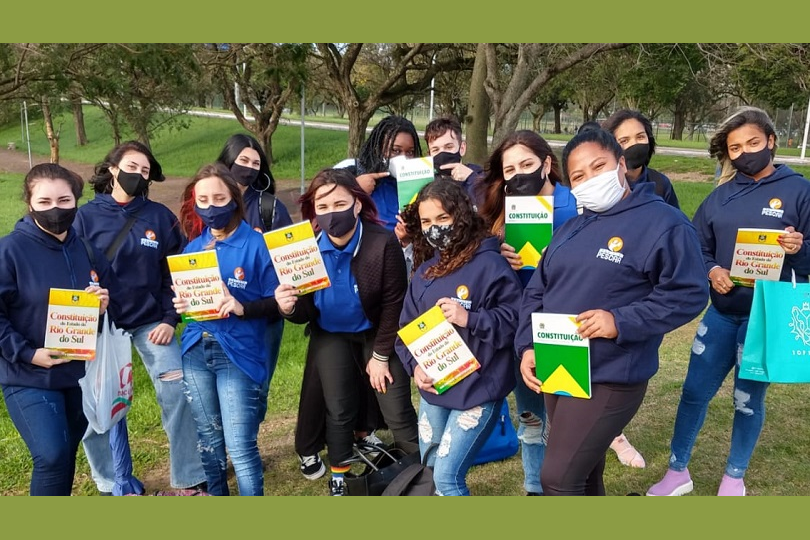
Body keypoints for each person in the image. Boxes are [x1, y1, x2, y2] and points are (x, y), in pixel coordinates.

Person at [515, 127, 708, 496]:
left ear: (621, 164)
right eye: (578, 175)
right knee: (584, 474)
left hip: (611, 373)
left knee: (557, 479)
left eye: (598, 166)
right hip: (561, 364)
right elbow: (537, 289)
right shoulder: (572, 227)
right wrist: (527, 346)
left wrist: (619, 321)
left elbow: (688, 293)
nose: (590, 179)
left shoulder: (663, 223)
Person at [647, 106, 810, 497]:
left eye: (753, 143)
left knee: (747, 400)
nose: (744, 153)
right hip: (721, 315)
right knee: (693, 392)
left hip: (765, 319)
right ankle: (677, 472)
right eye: (735, 148)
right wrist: (711, 271)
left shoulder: (799, 191)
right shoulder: (720, 197)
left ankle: (734, 477)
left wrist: (799, 247)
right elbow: (697, 243)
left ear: (772, 141)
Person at [274, 168, 418, 496]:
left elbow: (395, 304)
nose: (331, 214)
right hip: (331, 333)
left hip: (377, 331)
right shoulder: (304, 249)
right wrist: (288, 307)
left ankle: (422, 466)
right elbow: (306, 312)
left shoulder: (382, 243)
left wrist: (381, 356)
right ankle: (340, 472)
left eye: (340, 204)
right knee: (338, 406)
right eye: (322, 208)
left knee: (395, 404)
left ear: (356, 204)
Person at [75, 141, 206, 496]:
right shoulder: (83, 217)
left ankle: (188, 476)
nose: (138, 174)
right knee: (96, 401)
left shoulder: (160, 218)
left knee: (179, 391)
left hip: (152, 322)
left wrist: (169, 319)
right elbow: (69, 268)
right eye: (132, 166)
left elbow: (173, 275)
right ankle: (109, 479)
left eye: (145, 171)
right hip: (99, 325)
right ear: (113, 168)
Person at [396, 179, 523, 496]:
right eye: (426, 221)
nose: (434, 228)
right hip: (434, 390)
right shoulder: (425, 273)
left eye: (442, 218)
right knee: (430, 472)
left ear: (461, 216)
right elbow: (406, 332)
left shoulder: (492, 265)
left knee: (448, 478)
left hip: (478, 391)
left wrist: (471, 318)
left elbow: (516, 320)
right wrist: (415, 368)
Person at [0, 163, 115, 495]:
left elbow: (112, 300)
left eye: (64, 201)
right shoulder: (9, 251)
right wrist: (28, 353)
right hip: (27, 374)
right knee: (51, 455)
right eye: (45, 201)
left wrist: (101, 304)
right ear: (30, 202)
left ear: (76, 201)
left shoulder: (86, 249)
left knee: (65, 456)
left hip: (80, 376)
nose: (55, 210)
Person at [477, 130, 577, 496]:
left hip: (569, 327)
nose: (518, 174)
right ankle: (535, 487)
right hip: (524, 330)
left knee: (569, 420)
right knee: (531, 415)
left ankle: (568, 485)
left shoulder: (577, 206)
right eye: (510, 168)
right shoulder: (503, 211)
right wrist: (498, 256)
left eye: (527, 165)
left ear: (547, 164)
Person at [174, 163, 279, 496]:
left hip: (239, 354)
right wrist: (182, 309)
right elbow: (190, 307)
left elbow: (279, 304)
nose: (210, 207)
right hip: (194, 350)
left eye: (218, 198)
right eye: (202, 200)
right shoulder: (193, 249)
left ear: (234, 199)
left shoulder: (257, 245)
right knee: (209, 442)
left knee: (240, 447)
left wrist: (241, 305)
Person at [214, 133, 293, 418]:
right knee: (217, 387)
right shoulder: (208, 203)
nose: (248, 167)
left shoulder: (269, 207)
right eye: (242, 160)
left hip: (263, 313)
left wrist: (265, 247)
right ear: (227, 160)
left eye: (255, 162)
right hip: (218, 315)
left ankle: (248, 436)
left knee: (258, 384)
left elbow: (291, 257)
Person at [335, 115, 423, 234]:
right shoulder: (351, 168)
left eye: (410, 152)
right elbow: (320, 203)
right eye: (395, 150)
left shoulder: (419, 181)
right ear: (378, 148)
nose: (403, 157)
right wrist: (355, 188)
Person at [602, 109, 680, 209]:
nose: (634, 144)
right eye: (624, 141)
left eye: (640, 137)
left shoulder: (660, 183)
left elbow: (674, 219)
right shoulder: (604, 186)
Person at [424, 115, 483, 204]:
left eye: (448, 147)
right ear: (429, 154)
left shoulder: (480, 176)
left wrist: (471, 179)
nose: (442, 154)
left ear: (462, 148)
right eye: (435, 150)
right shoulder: (425, 183)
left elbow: (491, 206)